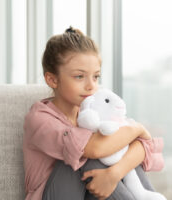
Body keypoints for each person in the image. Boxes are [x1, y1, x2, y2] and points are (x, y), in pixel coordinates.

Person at [23, 26, 164, 200]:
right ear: (52, 79)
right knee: (87, 154)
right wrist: (137, 129)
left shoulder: (95, 108)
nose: (91, 86)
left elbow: (142, 148)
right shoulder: (39, 119)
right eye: (79, 77)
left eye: (96, 77)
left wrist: (113, 174)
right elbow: (95, 149)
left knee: (118, 154)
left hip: (89, 193)